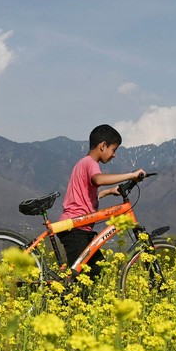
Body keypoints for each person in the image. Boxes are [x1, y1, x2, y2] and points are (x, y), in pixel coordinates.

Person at [58, 124, 146, 293]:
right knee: (82, 278)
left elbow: (83, 197)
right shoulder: (90, 163)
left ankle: (75, 305)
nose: (114, 155)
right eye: (114, 149)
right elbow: (98, 179)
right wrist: (131, 174)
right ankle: (68, 308)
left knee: (97, 270)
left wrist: (108, 192)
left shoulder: (82, 164)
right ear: (103, 146)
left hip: (77, 227)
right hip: (75, 229)